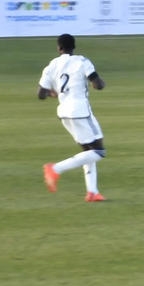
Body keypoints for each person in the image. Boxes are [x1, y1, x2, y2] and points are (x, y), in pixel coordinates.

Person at [38, 33, 108, 202]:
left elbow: (41, 94)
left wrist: (53, 92)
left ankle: (92, 192)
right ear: (74, 47)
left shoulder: (51, 65)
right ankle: (55, 169)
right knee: (99, 151)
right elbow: (98, 85)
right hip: (81, 111)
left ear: (59, 48)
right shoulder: (82, 61)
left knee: (88, 151)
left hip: (64, 114)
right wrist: (98, 83)